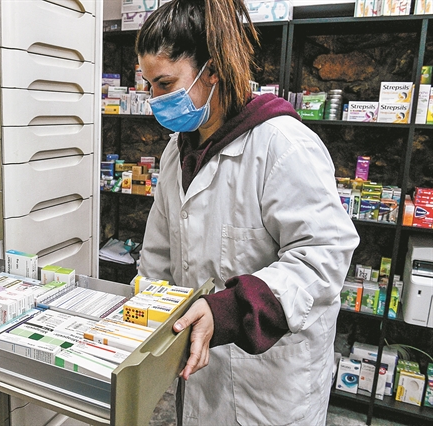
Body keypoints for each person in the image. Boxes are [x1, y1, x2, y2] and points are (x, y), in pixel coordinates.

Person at [135, 0, 360, 425]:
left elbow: (323, 257)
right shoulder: (177, 153)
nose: (154, 100)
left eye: (165, 84)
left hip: (268, 383)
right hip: (199, 369)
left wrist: (227, 311)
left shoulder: (283, 145)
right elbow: (159, 253)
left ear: (213, 69)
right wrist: (146, 311)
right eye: (149, 85)